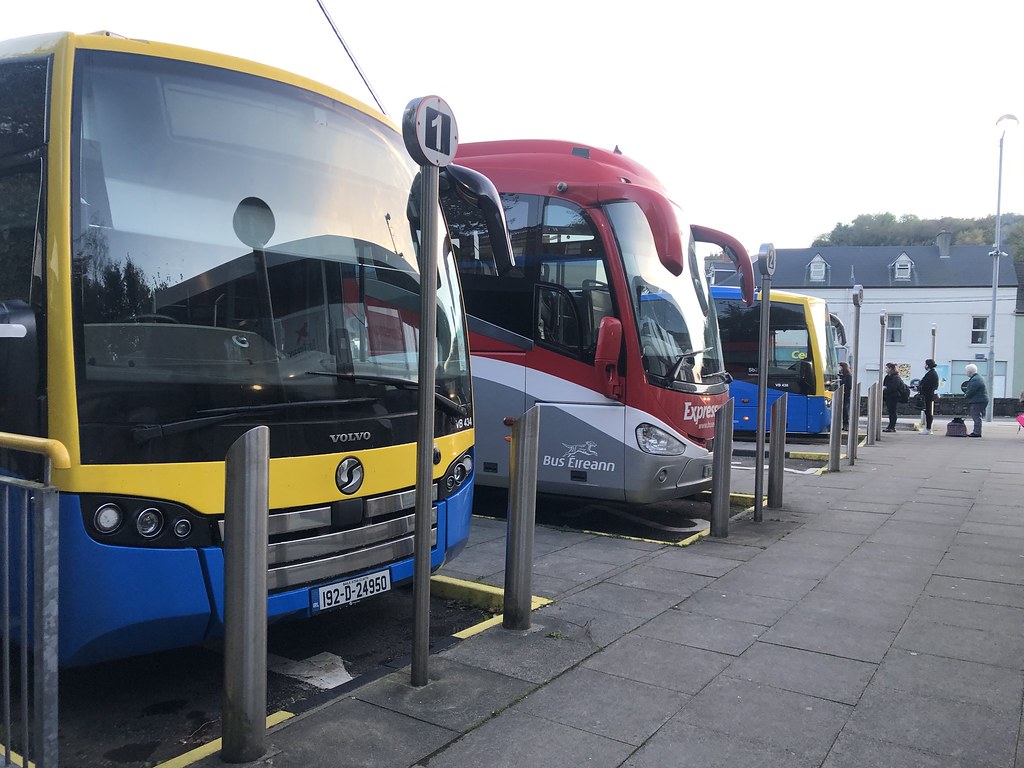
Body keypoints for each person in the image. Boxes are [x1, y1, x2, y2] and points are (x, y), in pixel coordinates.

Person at [963, 363, 989, 438]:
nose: (966, 373)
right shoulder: (978, 378)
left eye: (967, 371)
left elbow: (971, 391)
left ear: (970, 372)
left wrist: (966, 396)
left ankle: (976, 432)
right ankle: (977, 431)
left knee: (976, 416)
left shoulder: (975, 380)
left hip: (978, 401)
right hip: (981, 400)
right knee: (977, 416)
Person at [918, 359, 939, 435]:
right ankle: (928, 428)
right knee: (928, 411)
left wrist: (919, 388)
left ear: (927, 365)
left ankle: (928, 428)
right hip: (929, 394)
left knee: (928, 412)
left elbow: (926, 385)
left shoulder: (931, 374)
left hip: (928, 395)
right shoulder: (932, 373)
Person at [881, 362, 902, 432]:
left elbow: (893, 388)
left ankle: (892, 426)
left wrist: (885, 389)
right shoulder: (887, 377)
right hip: (888, 396)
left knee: (892, 411)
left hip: (893, 396)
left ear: (891, 369)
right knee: (890, 411)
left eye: (886, 368)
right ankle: (890, 426)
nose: (885, 369)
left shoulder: (896, 378)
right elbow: (885, 385)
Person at [838, 361, 852, 431]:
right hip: (843, 394)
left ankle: (846, 424)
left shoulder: (847, 376)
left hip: (845, 394)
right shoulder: (843, 375)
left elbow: (848, 385)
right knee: (843, 410)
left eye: (840, 366)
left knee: (845, 410)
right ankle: (844, 424)